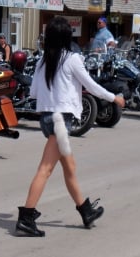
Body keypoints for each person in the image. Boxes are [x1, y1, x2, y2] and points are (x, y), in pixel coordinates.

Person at [15, 16, 125, 237]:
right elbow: (91, 85)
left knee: (69, 167)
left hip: (47, 118)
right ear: (67, 37)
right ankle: (26, 218)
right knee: (45, 170)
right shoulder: (72, 59)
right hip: (60, 121)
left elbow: (34, 92)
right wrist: (114, 98)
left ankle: (86, 211)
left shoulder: (42, 61)